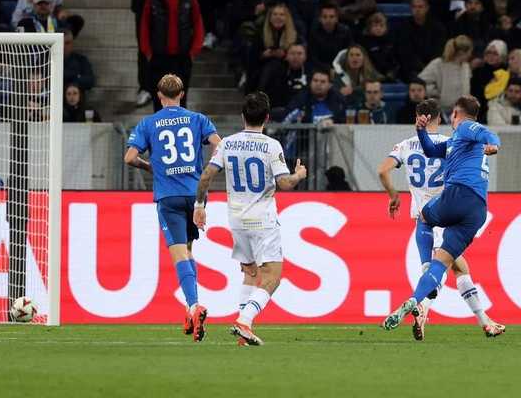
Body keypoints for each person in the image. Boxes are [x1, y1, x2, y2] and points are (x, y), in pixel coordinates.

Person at [378, 98, 505, 340]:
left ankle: (423, 300)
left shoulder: (456, 132)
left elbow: (383, 169)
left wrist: (394, 196)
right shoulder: (453, 141)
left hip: (443, 207)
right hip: (473, 208)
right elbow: (434, 150)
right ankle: (483, 321)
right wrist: (491, 146)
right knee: (457, 267)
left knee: (440, 261)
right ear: (440, 117)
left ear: (456, 113)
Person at [193, 92, 306, 346]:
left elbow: (205, 177)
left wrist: (199, 206)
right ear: (267, 117)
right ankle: (245, 320)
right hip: (263, 220)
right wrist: (299, 174)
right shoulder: (271, 145)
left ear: (242, 116)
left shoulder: (227, 143)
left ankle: (243, 334)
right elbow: (284, 183)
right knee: (272, 277)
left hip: (236, 219)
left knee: (249, 272)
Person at [124, 74, 221, 342]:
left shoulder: (148, 123)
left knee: (180, 255)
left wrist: (149, 166)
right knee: (189, 251)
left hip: (168, 197)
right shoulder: (198, 119)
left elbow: (130, 157)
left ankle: (193, 306)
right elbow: (218, 144)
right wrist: (210, 168)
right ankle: (191, 308)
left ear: (158, 95)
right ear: (182, 93)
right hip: (195, 194)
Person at [139, 0, 204, 112]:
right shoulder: (152, 0)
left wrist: (193, 52)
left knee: (181, 98)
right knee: (159, 99)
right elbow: (144, 27)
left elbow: (198, 25)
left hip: (182, 58)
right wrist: (148, 52)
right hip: (158, 57)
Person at [394, 0, 448, 83]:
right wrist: (420, 67)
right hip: (411, 69)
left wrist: (429, 67)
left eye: (420, 7)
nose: (417, 10)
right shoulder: (403, 27)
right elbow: (404, 51)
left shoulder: (438, 27)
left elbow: (439, 51)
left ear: (427, 8)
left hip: (433, 67)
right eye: (414, 7)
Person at [418, 35, 473, 116]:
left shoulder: (466, 66)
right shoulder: (438, 64)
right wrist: (436, 94)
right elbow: (420, 82)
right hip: (441, 112)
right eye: (470, 52)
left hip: (461, 112)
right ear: (462, 52)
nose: (470, 55)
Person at [332, 45, 382, 109]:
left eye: (358, 55)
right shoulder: (340, 74)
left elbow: (372, 91)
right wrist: (340, 92)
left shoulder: (371, 74)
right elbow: (335, 91)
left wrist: (353, 90)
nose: (354, 58)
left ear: (364, 58)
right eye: (351, 55)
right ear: (347, 58)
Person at [308, 2, 353, 67]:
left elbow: (348, 52)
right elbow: (313, 58)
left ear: (337, 19)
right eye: (324, 17)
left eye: (331, 17)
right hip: (320, 68)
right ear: (320, 19)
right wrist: (328, 69)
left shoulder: (345, 31)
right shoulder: (314, 32)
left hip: (341, 66)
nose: (328, 20)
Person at [358, 12, 398, 82]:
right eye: (375, 26)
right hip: (371, 71)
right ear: (369, 27)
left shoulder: (391, 40)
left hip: (388, 72)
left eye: (381, 26)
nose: (378, 28)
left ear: (386, 27)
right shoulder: (364, 41)